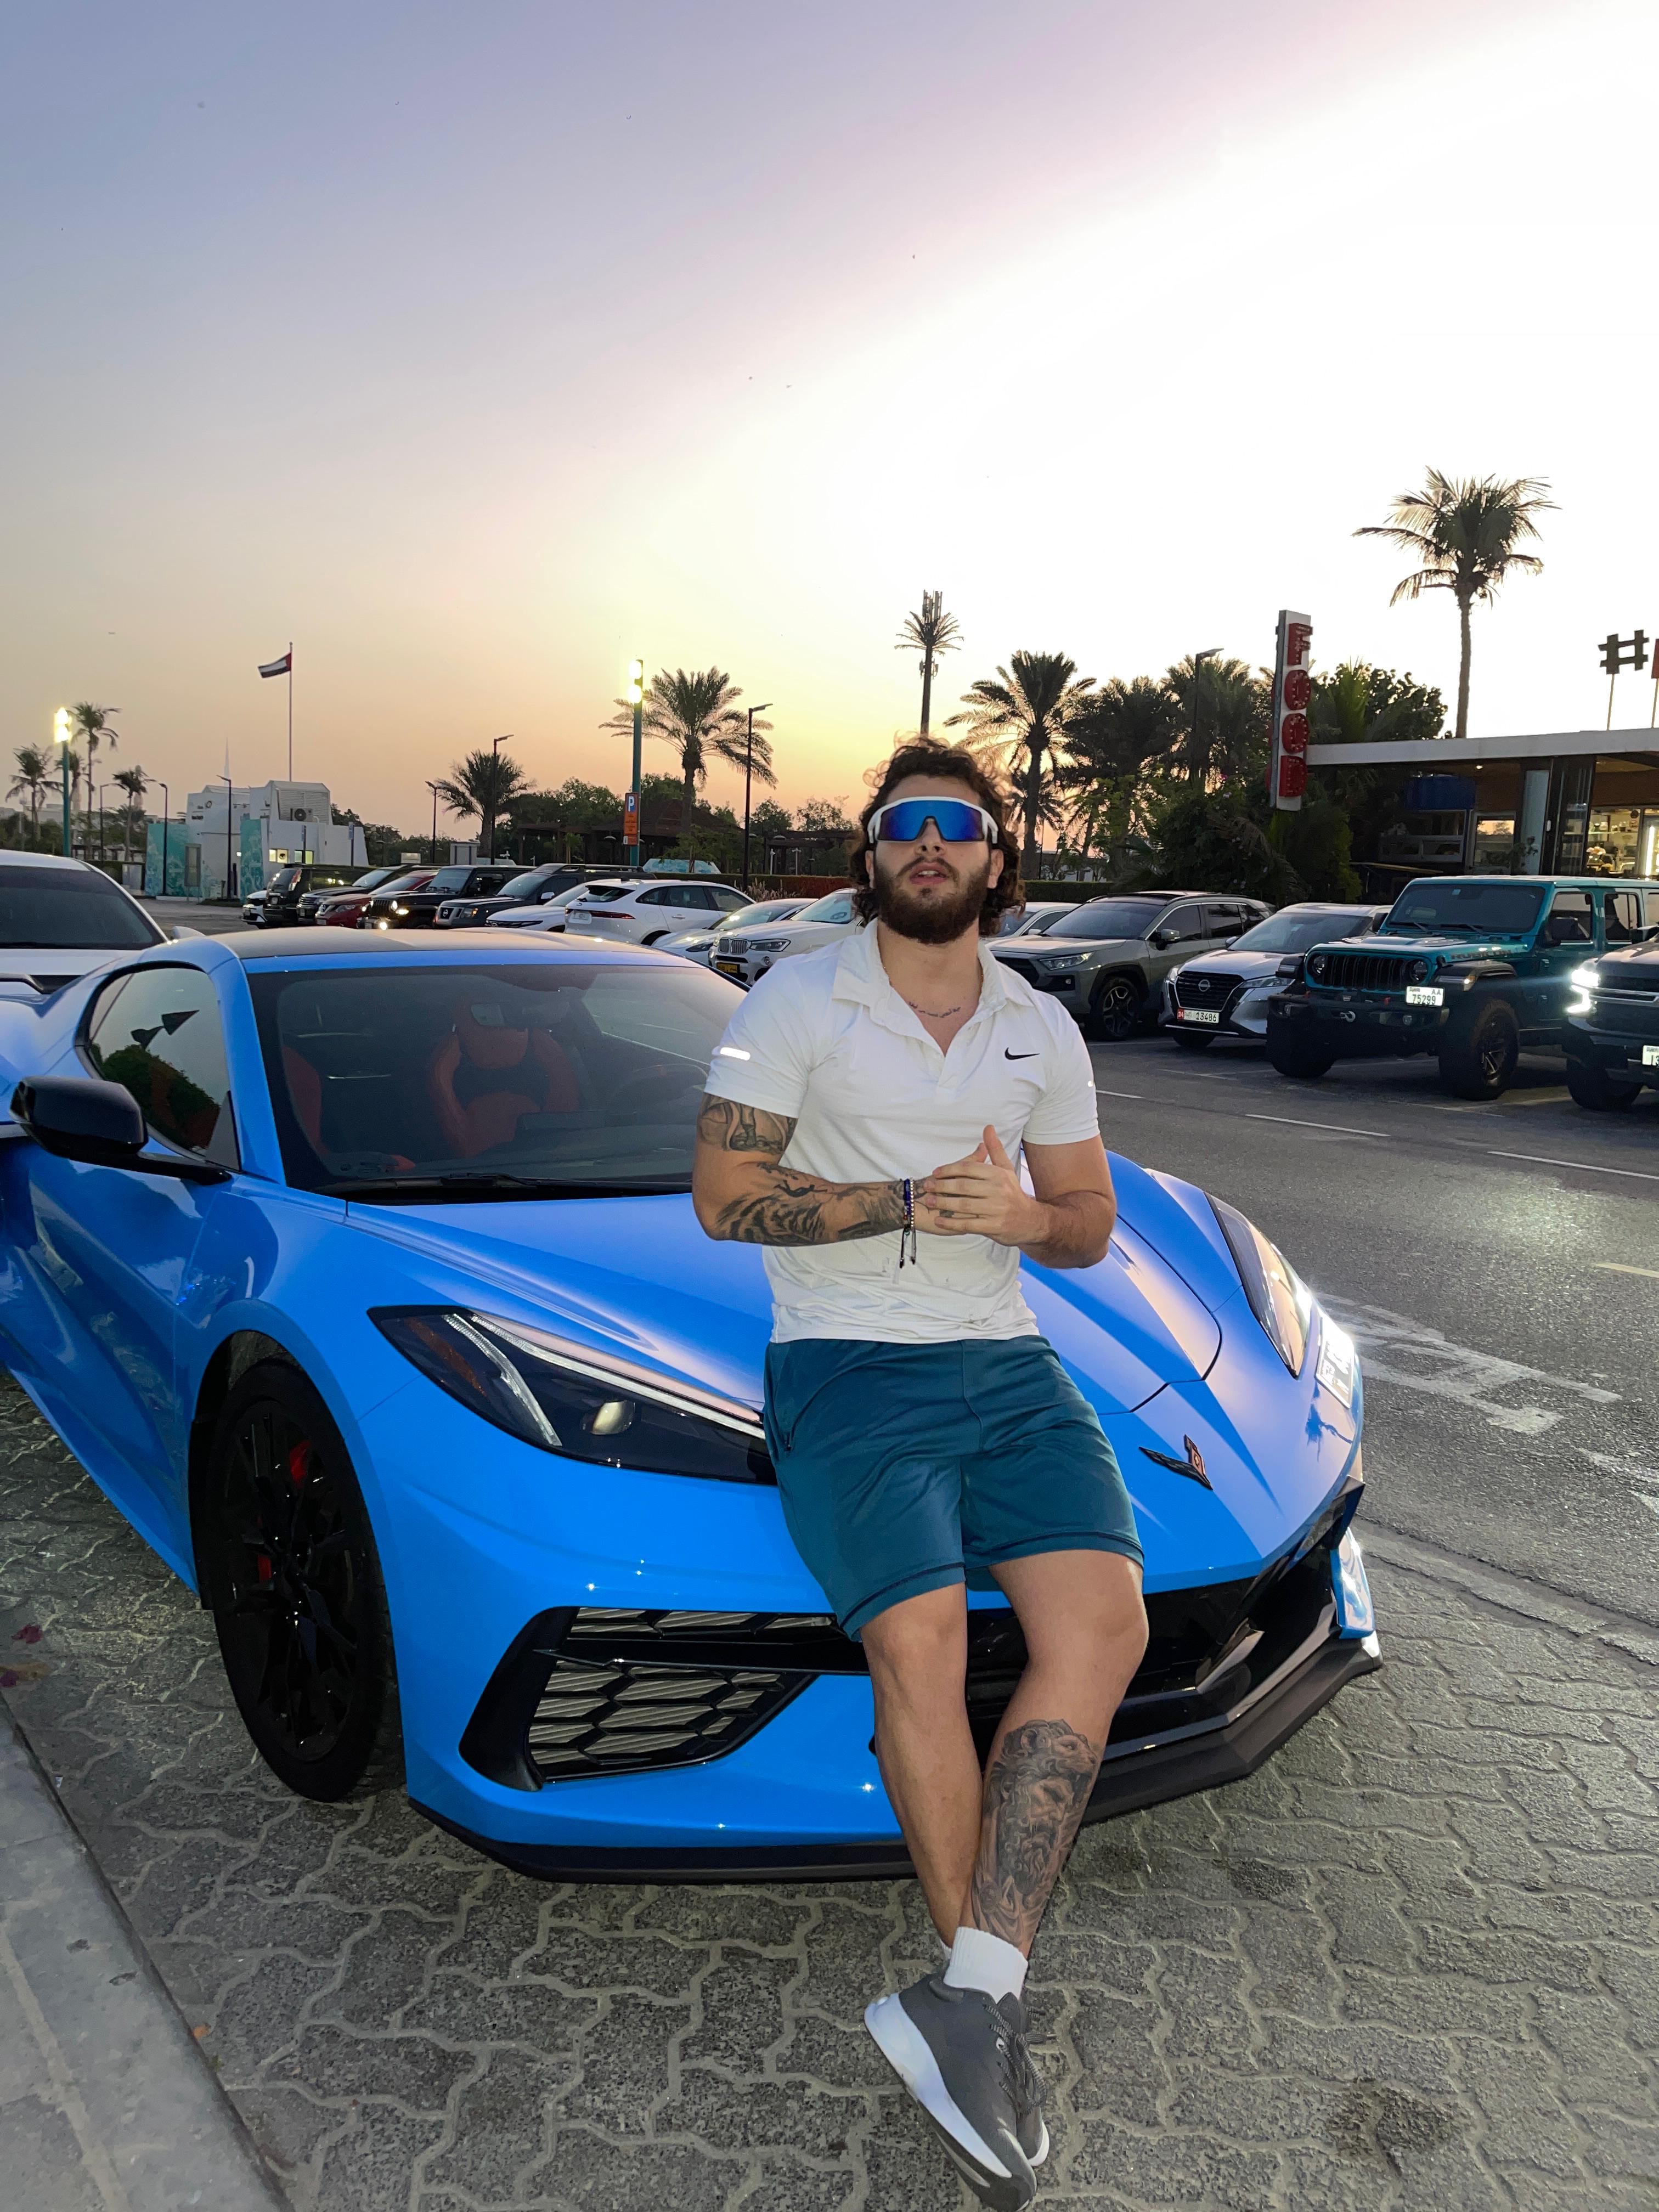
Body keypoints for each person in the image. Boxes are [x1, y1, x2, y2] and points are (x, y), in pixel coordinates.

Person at [692, 739, 1147, 2210]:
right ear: (873, 854)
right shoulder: (796, 1001)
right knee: (924, 1643)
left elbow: (1089, 1219)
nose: (931, 845)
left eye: (959, 825)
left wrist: (1021, 1220)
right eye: (906, 826)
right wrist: (892, 1200)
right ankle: (983, 2011)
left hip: (1005, 1361)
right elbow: (721, 1198)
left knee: (1106, 1624)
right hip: (847, 1365)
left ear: (997, 858)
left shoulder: (1038, 1025)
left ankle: (972, 1995)